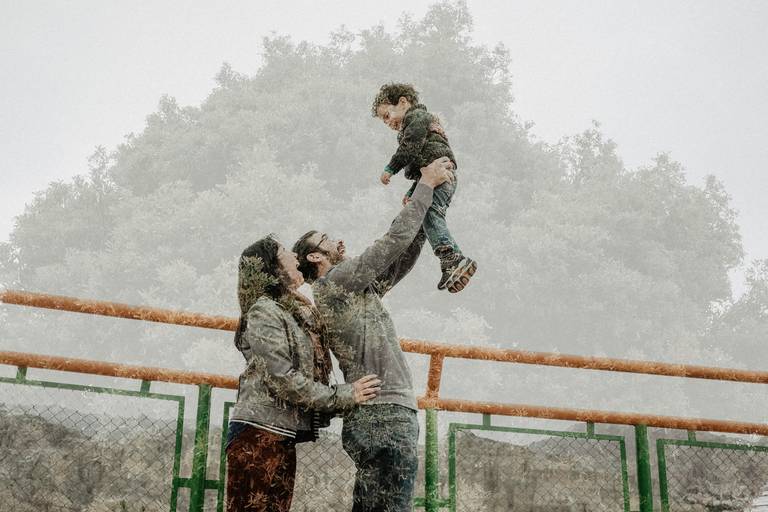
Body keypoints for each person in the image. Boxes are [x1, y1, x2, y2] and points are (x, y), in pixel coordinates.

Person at [292, 157, 455, 512]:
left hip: (380, 415)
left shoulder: (349, 290)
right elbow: (391, 243)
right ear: (316, 256)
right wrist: (424, 187)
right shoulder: (334, 283)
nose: (337, 240)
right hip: (384, 415)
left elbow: (398, 259)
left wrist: (421, 207)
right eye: (326, 240)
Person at [226, 235, 381, 512]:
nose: (296, 257)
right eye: (286, 252)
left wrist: (339, 260)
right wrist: (345, 395)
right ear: (273, 266)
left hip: (279, 435)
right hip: (259, 434)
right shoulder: (263, 310)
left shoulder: (292, 308)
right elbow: (283, 379)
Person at [372, 82, 477, 293]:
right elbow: (423, 166)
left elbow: (409, 148)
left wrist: (390, 169)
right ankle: (453, 261)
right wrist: (413, 192)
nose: (387, 122)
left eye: (386, 115)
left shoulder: (417, 119)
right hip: (434, 175)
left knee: (430, 213)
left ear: (402, 102)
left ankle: (451, 258)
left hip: (441, 174)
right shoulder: (418, 123)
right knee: (424, 215)